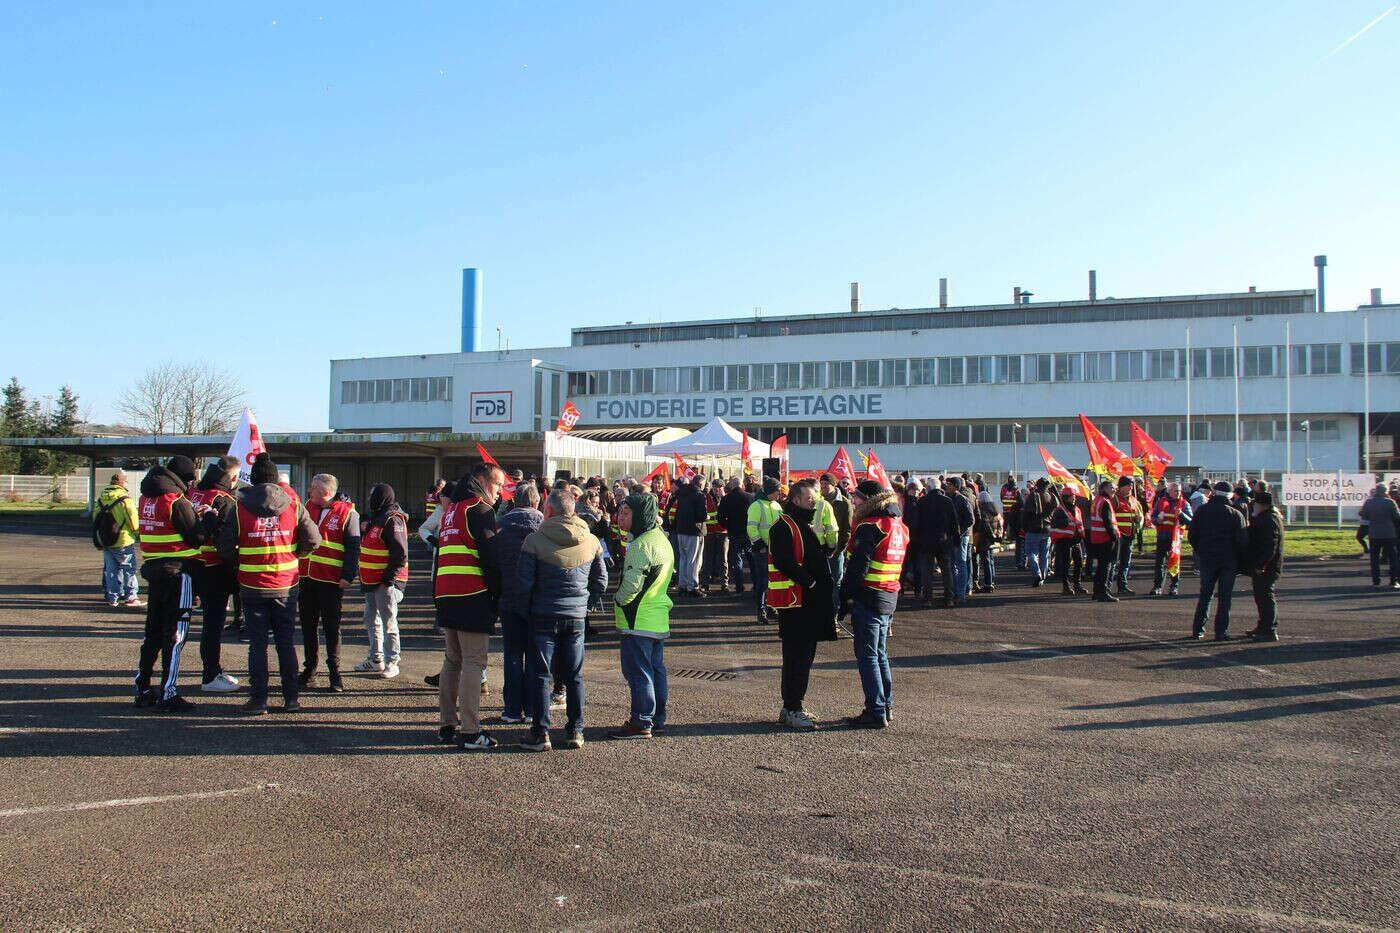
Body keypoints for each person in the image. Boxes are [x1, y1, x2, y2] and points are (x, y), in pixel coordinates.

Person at [215, 452, 321, 714]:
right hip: (286, 584)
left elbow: (224, 547)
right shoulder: (294, 504)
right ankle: (291, 698)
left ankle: (258, 699)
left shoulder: (239, 507)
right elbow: (314, 540)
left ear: (254, 480)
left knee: (258, 644)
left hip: (251, 586)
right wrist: (296, 554)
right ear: (275, 480)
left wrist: (244, 556)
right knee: (285, 642)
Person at [518, 488, 608, 752]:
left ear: (548, 511)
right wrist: (584, 606)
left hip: (543, 615)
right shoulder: (591, 541)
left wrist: (529, 611)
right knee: (575, 675)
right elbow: (600, 582)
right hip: (576, 617)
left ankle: (540, 732)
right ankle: (576, 730)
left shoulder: (533, 540)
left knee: (540, 675)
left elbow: (524, 584)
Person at [433, 462, 505, 750]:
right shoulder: (480, 510)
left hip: (446, 592)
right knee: (474, 662)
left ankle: (447, 725)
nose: (500, 492)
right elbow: (491, 558)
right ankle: (471, 731)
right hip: (472, 592)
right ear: (483, 481)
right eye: (497, 485)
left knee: (452, 661)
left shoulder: (451, 511)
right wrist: (497, 595)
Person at [133, 456, 213, 712]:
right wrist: (208, 519)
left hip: (154, 569)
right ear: (186, 479)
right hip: (179, 573)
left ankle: (143, 687)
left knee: (152, 632)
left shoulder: (147, 497)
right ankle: (169, 692)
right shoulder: (175, 500)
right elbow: (196, 538)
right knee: (176, 635)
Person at [768, 479, 836, 731]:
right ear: (795, 499)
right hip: (796, 602)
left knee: (804, 656)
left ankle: (792, 706)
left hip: (807, 601)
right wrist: (811, 583)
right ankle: (793, 707)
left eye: (815, 498)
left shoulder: (800, 524)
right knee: (797, 656)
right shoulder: (784, 526)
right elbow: (785, 561)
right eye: (809, 499)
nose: (814, 502)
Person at [839, 480, 907, 728]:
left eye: (857, 497)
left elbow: (858, 568)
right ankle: (885, 706)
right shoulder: (898, 526)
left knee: (867, 656)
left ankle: (875, 711)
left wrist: (843, 599)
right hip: (889, 595)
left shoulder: (870, 526)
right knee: (880, 654)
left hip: (869, 596)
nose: (854, 501)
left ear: (868, 500)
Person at [609, 492, 674, 739]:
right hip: (656, 617)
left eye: (626, 514)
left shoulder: (641, 544)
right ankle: (656, 718)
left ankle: (641, 721)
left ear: (640, 515)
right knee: (655, 670)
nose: (620, 518)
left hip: (638, 619)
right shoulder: (660, 539)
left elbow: (631, 586)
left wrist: (617, 600)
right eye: (620, 513)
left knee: (639, 673)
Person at [296, 472, 360, 692]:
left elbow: (353, 547)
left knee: (332, 628)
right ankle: (310, 669)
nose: (309, 491)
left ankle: (335, 673)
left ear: (324, 492)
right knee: (307, 626)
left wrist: (348, 575)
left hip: (331, 580)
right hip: (306, 577)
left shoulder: (348, 513)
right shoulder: (306, 507)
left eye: (312, 487)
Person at [186, 457, 242, 693]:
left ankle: (166, 675)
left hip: (189, 566)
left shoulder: (193, 494)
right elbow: (225, 542)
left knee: (177, 625)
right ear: (233, 477)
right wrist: (235, 573)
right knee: (212, 626)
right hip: (214, 570)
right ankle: (211, 674)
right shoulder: (224, 500)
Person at [492, 483, 542, 723]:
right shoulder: (545, 526)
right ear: (537, 502)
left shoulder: (500, 525)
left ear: (514, 502)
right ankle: (533, 708)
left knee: (512, 653)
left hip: (508, 596)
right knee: (535, 654)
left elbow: (491, 561)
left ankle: (512, 709)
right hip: (537, 599)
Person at [356, 483, 409, 677]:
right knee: (371, 619)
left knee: (388, 623)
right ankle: (376, 658)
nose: (370, 499)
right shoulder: (378, 517)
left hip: (384, 582)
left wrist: (388, 579)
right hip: (371, 581)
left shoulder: (392, 519)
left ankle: (392, 661)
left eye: (373, 495)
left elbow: (400, 553)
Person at [1187, 481, 1248, 640]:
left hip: (1207, 558)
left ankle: (1198, 629)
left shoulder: (1202, 510)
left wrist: (1201, 551)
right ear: (1231, 495)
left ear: (1214, 492)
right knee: (1225, 597)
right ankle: (1221, 631)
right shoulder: (1235, 514)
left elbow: (1192, 535)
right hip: (1228, 560)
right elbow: (1242, 541)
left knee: (1205, 595)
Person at [95, 469, 142, 608]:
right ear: (122, 483)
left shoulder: (101, 497)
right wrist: (137, 532)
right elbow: (133, 519)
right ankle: (131, 597)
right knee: (129, 568)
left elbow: (96, 517)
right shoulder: (125, 499)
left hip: (106, 538)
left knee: (111, 569)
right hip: (122, 539)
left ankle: (112, 598)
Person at [1241, 491, 1284, 641]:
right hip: (1268, 565)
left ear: (1261, 505)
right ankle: (1264, 626)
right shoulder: (1270, 517)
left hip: (1267, 567)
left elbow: (1269, 546)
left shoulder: (1268, 520)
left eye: (1255, 504)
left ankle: (1269, 630)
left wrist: (1261, 565)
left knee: (1265, 597)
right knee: (1263, 597)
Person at [745, 477, 783, 623]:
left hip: (775, 550)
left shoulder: (777, 506)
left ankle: (770, 607)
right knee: (763, 581)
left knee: (773, 580)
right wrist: (760, 545)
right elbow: (751, 528)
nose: (779, 493)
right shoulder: (757, 506)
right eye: (777, 490)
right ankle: (761, 611)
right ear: (770, 491)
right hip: (762, 551)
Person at [916, 477, 957, 608]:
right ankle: (949, 598)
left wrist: (917, 539)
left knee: (927, 571)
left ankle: (928, 598)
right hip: (943, 541)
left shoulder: (922, 502)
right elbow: (954, 523)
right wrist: (955, 540)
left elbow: (917, 523)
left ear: (928, 488)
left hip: (926, 541)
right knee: (946, 570)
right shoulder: (948, 501)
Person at [1149, 482, 1191, 597]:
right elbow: (1153, 517)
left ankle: (1174, 587)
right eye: (1175, 491)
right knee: (1159, 563)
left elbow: (1191, 521)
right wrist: (1157, 520)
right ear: (1169, 491)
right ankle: (1157, 586)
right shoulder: (1161, 501)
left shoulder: (1184, 504)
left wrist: (1181, 514)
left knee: (1174, 562)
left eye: (1179, 491)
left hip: (1176, 539)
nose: (1178, 493)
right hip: (1162, 536)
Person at [819, 472, 852, 613]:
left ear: (833, 484)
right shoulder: (817, 501)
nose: (823, 487)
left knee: (836, 582)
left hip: (836, 551)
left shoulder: (844, 503)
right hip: (820, 549)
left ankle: (834, 613)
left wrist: (837, 550)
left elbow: (847, 530)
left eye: (826, 484)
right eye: (821, 484)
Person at [670, 476, 707, 597]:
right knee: (694, 560)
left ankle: (683, 585)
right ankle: (692, 587)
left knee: (683, 559)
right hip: (694, 530)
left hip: (680, 530)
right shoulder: (699, 495)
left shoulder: (681, 494)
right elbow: (701, 515)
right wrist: (707, 517)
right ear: (701, 484)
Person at [716, 476, 753, 596]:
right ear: (742, 485)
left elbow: (720, 517)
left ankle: (739, 587)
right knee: (752, 560)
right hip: (748, 533)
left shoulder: (727, 499)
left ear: (731, 486)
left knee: (737, 561)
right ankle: (757, 585)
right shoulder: (750, 497)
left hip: (734, 533)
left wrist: (728, 526)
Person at [1359, 484, 1400, 588]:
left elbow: (1363, 514)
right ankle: (1393, 581)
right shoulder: (1390, 502)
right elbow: (1397, 517)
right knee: (1393, 558)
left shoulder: (1369, 502)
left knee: (1374, 559)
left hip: (1374, 533)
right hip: (1389, 533)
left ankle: (1376, 581)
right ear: (1386, 491)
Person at [1086, 480, 1121, 603]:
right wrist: (1114, 537)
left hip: (1097, 537)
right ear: (1105, 489)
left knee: (1101, 566)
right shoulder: (1105, 502)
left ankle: (1097, 591)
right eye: (1112, 487)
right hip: (1105, 538)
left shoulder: (1097, 500)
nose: (1114, 489)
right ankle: (1103, 592)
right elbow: (1108, 522)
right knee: (1105, 567)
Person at [1048, 487, 1087, 596]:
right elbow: (1055, 523)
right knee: (1065, 565)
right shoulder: (1059, 510)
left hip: (1076, 541)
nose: (1074, 499)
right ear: (1065, 498)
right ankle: (1066, 587)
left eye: (1074, 497)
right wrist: (1067, 521)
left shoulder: (1077, 509)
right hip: (1064, 541)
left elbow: (1080, 524)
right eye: (1072, 497)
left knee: (1079, 564)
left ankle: (1077, 585)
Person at [1111, 477, 1144, 595]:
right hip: (1118, 535)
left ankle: (1122, 586)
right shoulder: (1115, 499)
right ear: (1121, 487)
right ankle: (1108, 586)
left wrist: (1138, 519)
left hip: (1130, 535)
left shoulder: (1134, 500)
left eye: (1131, 485)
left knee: (1125, 562)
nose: (1130, 488)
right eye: (1128, 485)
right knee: (1113, 562)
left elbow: (1138, 514)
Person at [1020, 478, 1056, 586]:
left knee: (1031, 553)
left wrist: (1024, 527)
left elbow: (1026, 514)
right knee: (1045, 555)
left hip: (1033, 529)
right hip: (1047, 529)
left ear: (1037, 485)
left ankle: (1037, 573)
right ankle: (1043, 576)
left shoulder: (1032, 496)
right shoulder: (1051, 497)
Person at [946, 476, 974, 603]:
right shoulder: (949, 500)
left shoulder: (963, 500)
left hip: (961, 537)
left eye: (949, 485)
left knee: (961, 563)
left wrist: (960, 533)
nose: (947, 487)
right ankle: (953, 591)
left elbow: (970, 520)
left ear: (955, 486)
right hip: (951, 536)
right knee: (952, 564)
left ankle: (961, 593)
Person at [700, 478, 729, 594]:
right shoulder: (706, 498)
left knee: (723, 559)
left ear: (723, 488)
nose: (717, 490)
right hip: (710, 532)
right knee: (707, 558)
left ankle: (724, 583)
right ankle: (705, 582)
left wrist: (723, 498)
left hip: (723, 532)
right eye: (715, 487)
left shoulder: (726, 499)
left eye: (719, 488)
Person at [971, 490, 1003, 593]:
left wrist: (990, 536)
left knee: (985, 561)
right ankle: (992, 581)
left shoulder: (983, 510)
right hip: (992, 540)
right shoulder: (995, 509)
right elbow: (999, 524)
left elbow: (985, 525)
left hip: (984, 539)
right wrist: (996, 536)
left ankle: (988, 584)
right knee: (990, 560)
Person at [1000, 475, 1023, 570]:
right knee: (1012, 526)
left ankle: (1003, 539)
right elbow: (1019, 500)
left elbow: (1001, 498)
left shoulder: (1003, 488)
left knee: (1005, 526)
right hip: (1014, 511)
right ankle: (1010, 537)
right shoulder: (1016, 489)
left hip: (1006, 510)